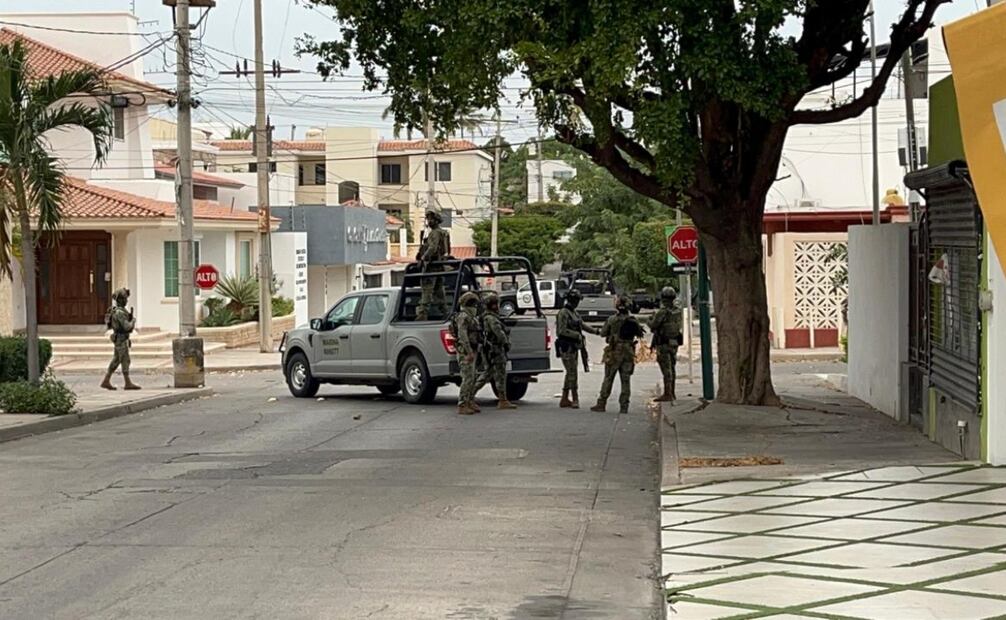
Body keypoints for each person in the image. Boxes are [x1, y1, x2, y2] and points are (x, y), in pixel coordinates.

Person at [591, 295, 644, 414]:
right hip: (628, 351)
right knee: (626, 380)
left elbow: (603, 333)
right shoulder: (633, 321)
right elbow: (640, 334)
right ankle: (624, 406)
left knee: (608, 377)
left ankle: (602, 403)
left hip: (614, 351)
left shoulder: (612, 320)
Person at [555, 289, 599, 408]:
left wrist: (596, 331)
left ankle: (564, 398)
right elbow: (561, 331)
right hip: (566, 346)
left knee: (570, 372)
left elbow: (582, 325)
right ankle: (575, 398)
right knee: (572, 373)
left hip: (574, 347)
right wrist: (577, 335)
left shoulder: (574, 312)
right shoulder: (563, 313)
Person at [474, 291, 518, 410]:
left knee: (489, 373)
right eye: (496, 304)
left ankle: (470, 395)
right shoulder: (491, 318)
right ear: (493, 305)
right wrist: (506, 343)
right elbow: (498, 332)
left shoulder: (485, 317)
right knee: (499, 374)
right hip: (495, 349)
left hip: (490, 349)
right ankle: (502, 400)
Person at [101, 288, 140, 391]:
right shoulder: (119, 313)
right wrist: (133, 322)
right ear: (121, 300)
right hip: (121, 338)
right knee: (125, 359)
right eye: (125, 298)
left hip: (121, 338)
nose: (126, 300)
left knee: (117, 359)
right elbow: (126, 327)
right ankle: (127, 382)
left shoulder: (119, 311)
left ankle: (106, 380)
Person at [649, 286, 683, 403]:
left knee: (666, 368)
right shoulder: (678, 311)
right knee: (672, 367)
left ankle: (668, 393)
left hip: (663, 343)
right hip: (674, 342)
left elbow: (654, 325)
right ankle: (671, 392)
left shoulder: (663, 312)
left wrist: (650, 319)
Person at [416, 209, 451, 321]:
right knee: (439, 292)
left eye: (431, 219)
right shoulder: (443, 232)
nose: (429, 221)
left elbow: (432, 248)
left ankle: (422, 315)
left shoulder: (434, 233)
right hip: (439, 266)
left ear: (436, 221)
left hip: (432, 266)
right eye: (428, 219)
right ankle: (446, 313)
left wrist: (423, 257)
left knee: (427, 290)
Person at [454, 291, 482, 415]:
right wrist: (469, 352)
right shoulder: (463, 317)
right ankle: (462, 404)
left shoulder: (471, 317)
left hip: (473, 349)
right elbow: (463, 336)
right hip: (465, 351)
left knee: (473, 377)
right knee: (467, 378)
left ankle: (470, 401)